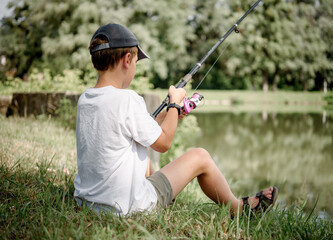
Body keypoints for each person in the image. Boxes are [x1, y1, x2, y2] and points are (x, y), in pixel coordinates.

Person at [74, 23, 278, 217]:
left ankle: (164, 193)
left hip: (88, 202)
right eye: (136, 62)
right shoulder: (127, 99)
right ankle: (239, 209)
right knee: (201, 156)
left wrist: (171, 112)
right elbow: (163, 144)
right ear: (127, 60)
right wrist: (173, 104)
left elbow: (135, 133)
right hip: (126, 207)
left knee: (142, 145)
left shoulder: (86, 99)